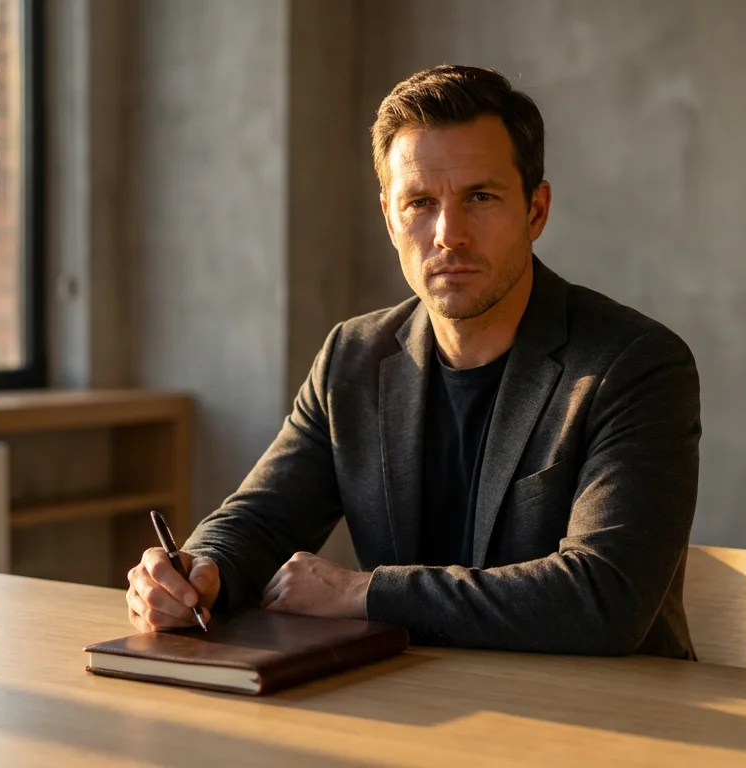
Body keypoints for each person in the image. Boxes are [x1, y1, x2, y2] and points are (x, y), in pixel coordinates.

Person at [125, 64, 702, 659]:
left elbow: (603, 601)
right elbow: (263, 519)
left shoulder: (635, 365)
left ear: (536, 210)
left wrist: (367, 593)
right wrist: (198, 571)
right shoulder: (352, 357)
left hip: (602, 724)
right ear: (389, 218)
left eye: (481, 197)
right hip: (414, 709)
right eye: (421, 203)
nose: (448, 233)